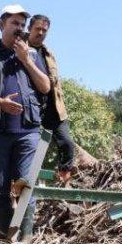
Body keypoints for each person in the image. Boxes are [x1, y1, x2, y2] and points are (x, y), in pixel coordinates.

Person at [0, 4, 51, 239]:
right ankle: (5, 237)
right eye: (14, 23)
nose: (19, 29)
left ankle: (25, 238)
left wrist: (26, 60)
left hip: (28, 130)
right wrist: (0, 103)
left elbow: (45, 87)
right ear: (1, 25)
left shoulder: (32, 54)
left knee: (26, 185)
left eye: (22, 25)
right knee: (0, 186)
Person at [26, 14, 79, 174]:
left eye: (44, 30)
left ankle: (64, 182)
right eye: (37, 29)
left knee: (67, 144)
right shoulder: (20, 49)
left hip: (53, 108)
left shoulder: (48, 54)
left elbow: (56, 83)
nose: (41, 33)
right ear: (29, 29)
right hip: (31, 108)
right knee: (31, 148)